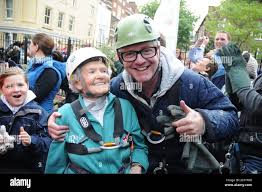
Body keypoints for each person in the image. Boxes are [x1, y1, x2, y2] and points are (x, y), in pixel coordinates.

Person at [47, 14, 239, 174]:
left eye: (147, 50)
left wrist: (204, 120)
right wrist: (55, 122)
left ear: (158, 48)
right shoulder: (117, 88)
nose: (139, 61)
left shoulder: (190, 82)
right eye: (129, 54)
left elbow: (231, 117)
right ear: (120, 57)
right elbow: (83, 106)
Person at [45, 47, 148, 174]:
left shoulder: (125, 107)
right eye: (92, 72)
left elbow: (139, 146)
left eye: (104, 71)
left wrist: (137, 167)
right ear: (77, 83)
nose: (100, 76)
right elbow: (56, 164)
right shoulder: (65, 114)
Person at [218, 43, 262, 174]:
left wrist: (242, 87)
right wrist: (231, 74)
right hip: (243, 150)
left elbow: (259, 106)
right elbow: (240, 105)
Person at [0, 67, 51, 173]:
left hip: (30, 168)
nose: (15, 89)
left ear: (27, 85)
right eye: (9, 86)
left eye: (20, 85)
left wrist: (32, 141)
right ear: (1, 89)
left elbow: (49, 142)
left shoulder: (38, 112)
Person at [26, 33, 63, 113]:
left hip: (41, 116)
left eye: (31, 44)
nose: (29, 46)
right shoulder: (35, 65)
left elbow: (37, 96)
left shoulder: (50, 71)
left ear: (36, 47)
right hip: (31, 113)